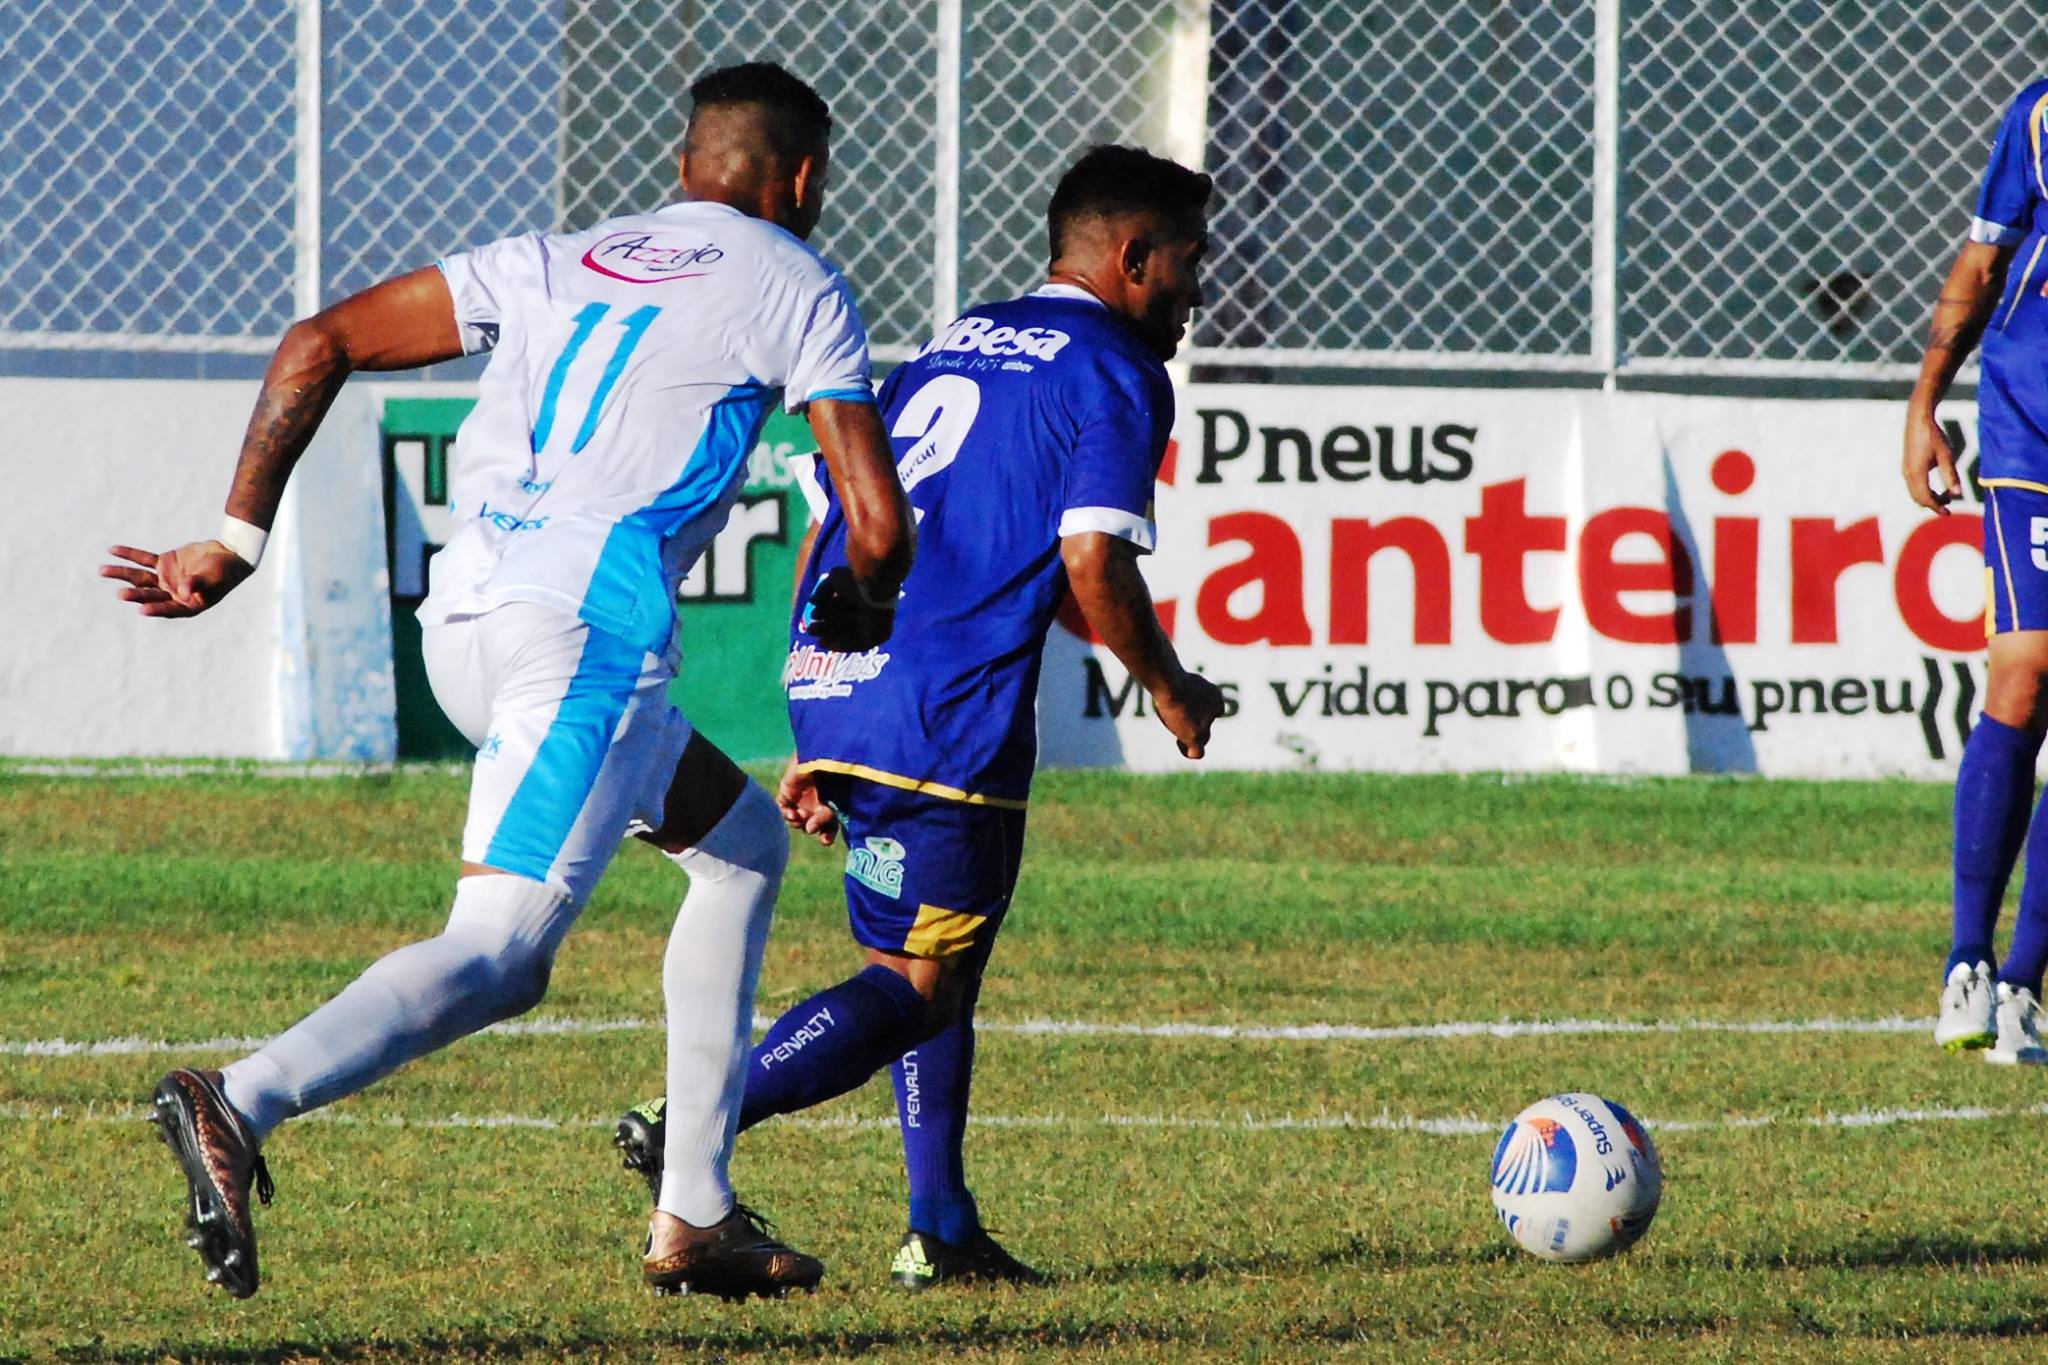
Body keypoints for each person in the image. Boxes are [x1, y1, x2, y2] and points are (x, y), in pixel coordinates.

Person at [98, 62, 914, 1300]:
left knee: (742, 850)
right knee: (502, 952)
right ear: (800, 178)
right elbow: (876, 521)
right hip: (580, 637)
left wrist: (236, 540)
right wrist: (866, 603)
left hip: (466, 612)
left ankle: (694, 1213)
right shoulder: (797, 279)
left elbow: (320, 341)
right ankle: (240, 1098)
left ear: (688, 164)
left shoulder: (557, 255)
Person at [610, 144, 1227, 1288]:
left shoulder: (953, 340)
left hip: (849, 677)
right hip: (950, 710)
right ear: (1132, 257)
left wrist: (819, 718)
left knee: (937, 961)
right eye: (1188, 262)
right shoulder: (1115, 373)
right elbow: (1093, 563)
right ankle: (692, 1123)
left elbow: (841, 517)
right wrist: (1171, 688)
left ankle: (939, 1225)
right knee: (913, 985)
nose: (1197, 290)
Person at [1907, 78, 2048, 1066]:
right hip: (2028, 425)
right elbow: (1982, 257)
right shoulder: (2039, 114)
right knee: (2024, 666)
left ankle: (2020, 989)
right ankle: (1965, 961)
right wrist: (1922, 402)